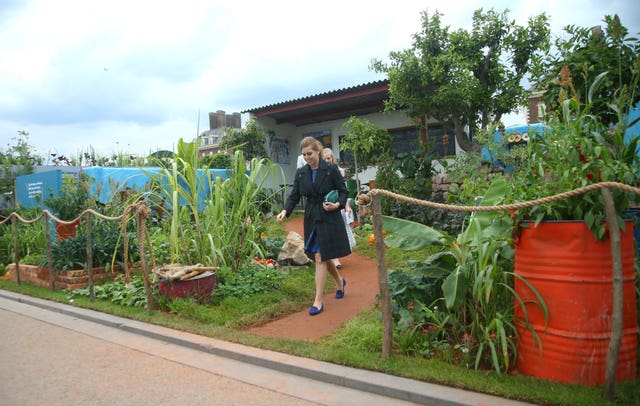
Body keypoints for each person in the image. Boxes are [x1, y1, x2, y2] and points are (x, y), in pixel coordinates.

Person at [276, 137, 351, 316]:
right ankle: (340, 282)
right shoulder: (301, 173)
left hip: (328, 215)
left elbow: (343, 191)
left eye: (310, 153)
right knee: (321, 255)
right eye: (304, 155)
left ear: (318, 150)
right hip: (311, 216)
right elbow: (294, 195)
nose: (307, 157)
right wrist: (285, 211)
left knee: (320, 256)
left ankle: (318, 300)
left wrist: (337, 205)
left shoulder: (331, 169)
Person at [321, 148, 355, 269]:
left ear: (332, 158)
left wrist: (346, 205)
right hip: (324, 207)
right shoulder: (318, 172)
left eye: (329, 158)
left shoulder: (339, 171)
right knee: (327, 233)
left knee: (337, 232)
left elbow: (344, 191)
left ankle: (335, 258)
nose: (327, 161)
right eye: (324, 159)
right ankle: (332, 259)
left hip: (337, 206)